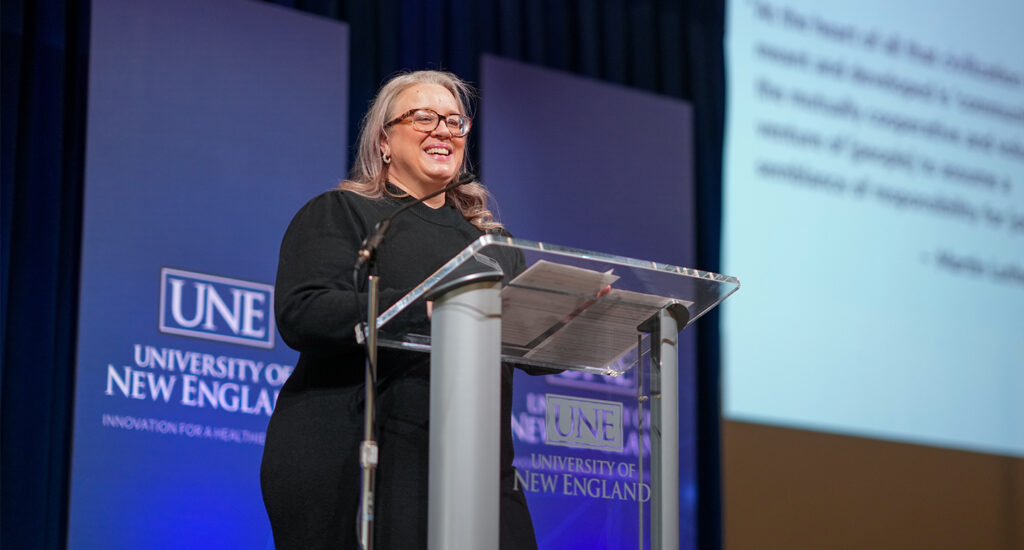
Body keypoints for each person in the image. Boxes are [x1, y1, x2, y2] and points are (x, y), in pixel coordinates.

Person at [260, 70, 538, 549]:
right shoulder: (344, 214)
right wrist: (429, 309)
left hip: (477, 473)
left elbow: (528, 345)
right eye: (424, 117)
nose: (443, 131)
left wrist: (578, 322)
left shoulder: (494, 247)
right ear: (384, 141)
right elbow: (303, 312)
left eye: (455, 121)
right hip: (363, 458)